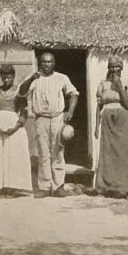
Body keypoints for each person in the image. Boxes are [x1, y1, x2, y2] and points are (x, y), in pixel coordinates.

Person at [25, 52, 79, 197]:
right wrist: (31, 78)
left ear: (54, 63)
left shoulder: (61, 78)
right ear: (39, 63)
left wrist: (70, 111)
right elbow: (21, 92)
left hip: (57, 118)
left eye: (49, 62)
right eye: (43, 62)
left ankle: (58, 186)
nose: (46, 64)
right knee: (43, 153)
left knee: (58, 152)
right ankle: (44, 187)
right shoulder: (35, 78)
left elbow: (74, 94)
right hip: (40, 118)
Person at [0, 64, 32, 194]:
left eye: (9, 77)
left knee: (13, 156)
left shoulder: (19, 92)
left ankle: (12, 188)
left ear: (14, 76)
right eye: (4, 77)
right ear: (0, 77)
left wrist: (16, 126)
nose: (6, 80)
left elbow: (24, 112)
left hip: (14, 127)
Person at [93, 57, 128, 198]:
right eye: (111, 67)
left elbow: (127, 104)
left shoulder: (127, 83)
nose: (113, 70)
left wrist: (119, 85)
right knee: (107, 154)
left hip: (124, 119)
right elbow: (99, 105)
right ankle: (105, 188)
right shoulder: (103, 84)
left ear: (121, 68)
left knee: (125, 153)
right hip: (107, 119)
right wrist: (96, 126)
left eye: (116, 67)